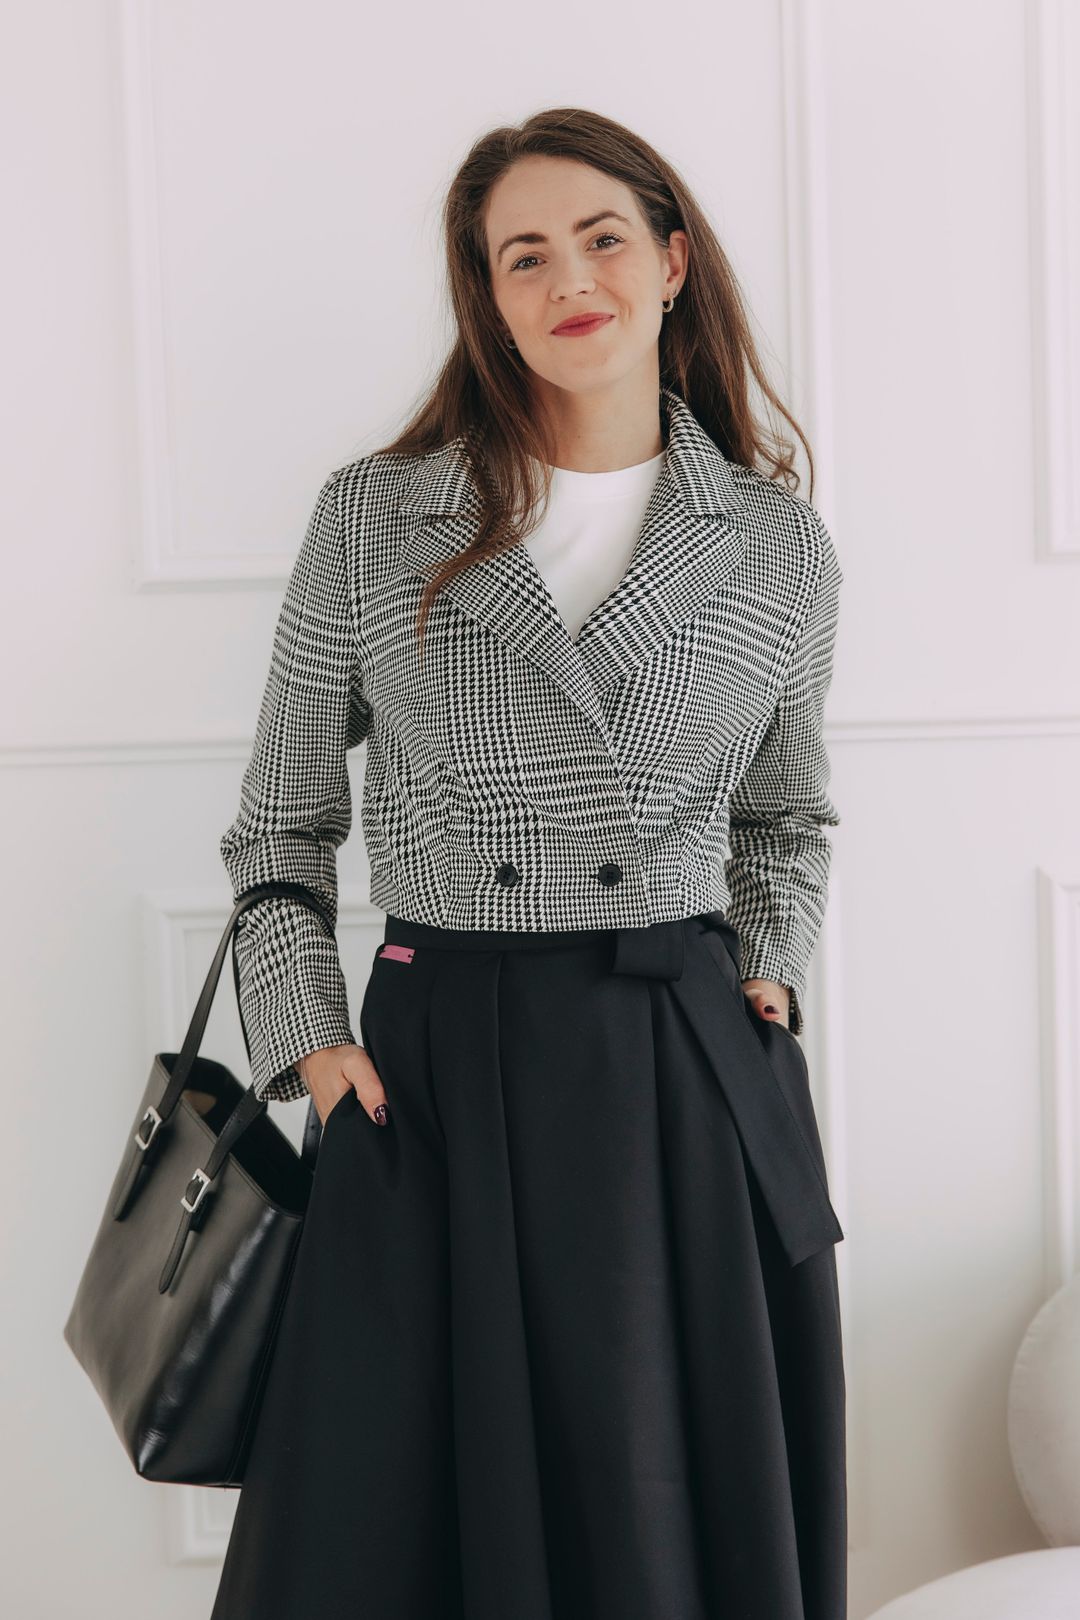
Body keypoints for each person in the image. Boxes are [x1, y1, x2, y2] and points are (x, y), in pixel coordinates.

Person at [210, 105, 847, 1620]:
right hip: (435, 1071)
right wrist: (309, 1045)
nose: (571, 280)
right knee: (389, 1527)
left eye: (603, 238)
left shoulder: (775, 542)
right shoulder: (377, 517)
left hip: (676, 1069)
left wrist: (768, 968)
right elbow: (278, 822)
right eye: (524, 256)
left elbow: (789, 810)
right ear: (485, 295)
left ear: (672, 262)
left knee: (657, 1508)